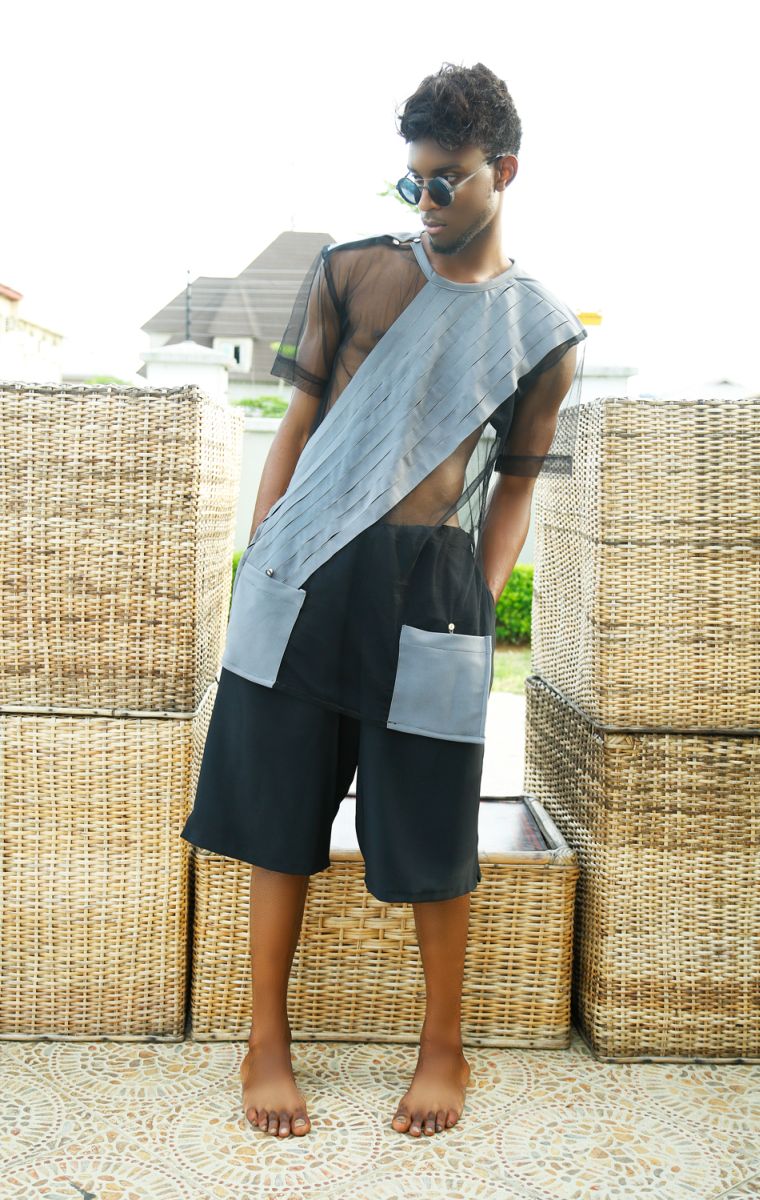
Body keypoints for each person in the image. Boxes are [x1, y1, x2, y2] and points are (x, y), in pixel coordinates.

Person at [180, 60, 587, 1140]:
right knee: (279, 821)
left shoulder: (540, 332)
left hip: (431, 590)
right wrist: (263, 569)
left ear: (505, 171)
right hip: (306, 575)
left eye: (448, 180)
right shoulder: (350, 271)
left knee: (434, 832)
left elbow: (515, 488)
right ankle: (265, 1041)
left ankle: (443, 1047)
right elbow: (295, 427)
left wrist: (475, 600)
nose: (427, 200)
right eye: (414, 181)